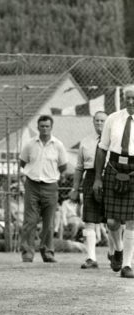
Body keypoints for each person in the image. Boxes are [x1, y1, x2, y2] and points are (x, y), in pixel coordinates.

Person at [93, 85, 134, 278]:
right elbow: (102, 149)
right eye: (128, 98)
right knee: (111, 222)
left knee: (133, 221)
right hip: (114, 168)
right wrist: (98, 178)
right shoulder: (113, 119)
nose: (131, 101)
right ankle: (117, 249)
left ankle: (127, 265)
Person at [20, 115, 68, 263]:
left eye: (47, 126)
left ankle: (47, 252)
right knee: (30, 221)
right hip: (32, 184)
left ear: (51, 127)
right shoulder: (29, 144)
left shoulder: (58, 145)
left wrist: (52, 176)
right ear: (38, 127)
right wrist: (31, 174)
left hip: (50, 185)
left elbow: (63, 166)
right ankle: (27, 252)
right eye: (42, 126)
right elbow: (23, 162)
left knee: (49, 222)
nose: (44, 129)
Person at [70, 111, 109, 269]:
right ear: (93, 122)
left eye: (103, 121)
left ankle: (115, 252)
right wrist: (74, 188)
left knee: (114, 220)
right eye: (97, 121)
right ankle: (91, 257)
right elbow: (79, 168)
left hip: (110, 178)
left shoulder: (115, 141)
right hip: (90, 178)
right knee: (89, 220)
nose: (99, 124)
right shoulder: (85, 142)